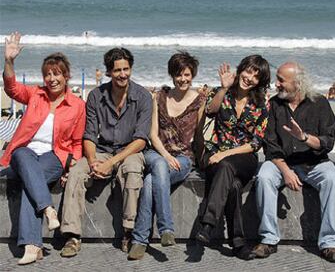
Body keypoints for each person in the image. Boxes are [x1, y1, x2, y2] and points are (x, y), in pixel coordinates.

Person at [1, 32, 86, 265]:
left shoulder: (77, 105)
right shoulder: (35, 94)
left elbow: (77, 143)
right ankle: (47, 208)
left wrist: (72, 168)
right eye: (47, 74)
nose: (51, 79)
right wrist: (9, 60)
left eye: (56, 74)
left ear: (66, 76)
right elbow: (10, 88)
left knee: (31, 182)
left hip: (54, 157)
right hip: (25, 154)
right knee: (21, 153)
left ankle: (32, 246)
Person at [60, 47, 152, 257]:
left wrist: (110, 164)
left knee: (132, 171)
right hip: (101, 150)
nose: (122, 74)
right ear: (109, 72)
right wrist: (92, 161)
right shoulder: (95, 96)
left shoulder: (143, 96)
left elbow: (140, 140)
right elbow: (90, 134)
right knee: (76, 172)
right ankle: (72, 235)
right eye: (117, 70)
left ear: (131, 69)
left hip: (130, 150)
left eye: (126, 69)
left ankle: (129, 231)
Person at [253, 62, 335, 263]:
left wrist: (304, 138)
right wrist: (286, 171)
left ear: (298, 83)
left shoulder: (319, 103)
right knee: (264, 176)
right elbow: (270, 145)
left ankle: (329, 243)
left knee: (332, 179)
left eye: (281, 80)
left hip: (314, 161)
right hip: (281, 161)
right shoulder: (274, 104)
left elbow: (328, 141)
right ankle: (268, 239)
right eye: (277, 79)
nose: (276, 84)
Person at [128, 51, 206, 260]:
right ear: (172, 75)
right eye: (179, 75)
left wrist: (203, 160)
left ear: (193, 75)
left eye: (187, 75)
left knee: (150, 181)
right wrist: (164, 155)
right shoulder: (160, 96)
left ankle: (139, 240)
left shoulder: (200, 100)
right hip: (156, 152)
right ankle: (165, 228)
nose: (183, 79)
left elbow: (199, 135)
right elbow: (153, 134)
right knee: (160, 166)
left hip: (183, 157)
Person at [195, 55, 270, 260]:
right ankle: (238, 243)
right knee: (234, 186)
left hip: (243, 158)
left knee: (227, 165)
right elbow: (210, 112)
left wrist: (224, 154)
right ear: (240, 70)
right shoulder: (223, 94)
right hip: (215, 158)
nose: (250, 77)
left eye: (256, 75)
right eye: (248, 71)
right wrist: (224, 88)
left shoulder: (263, 104)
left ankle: (208, 223)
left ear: (261, 81)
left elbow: (255, 143)